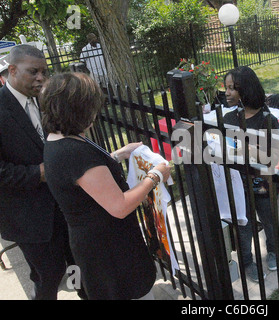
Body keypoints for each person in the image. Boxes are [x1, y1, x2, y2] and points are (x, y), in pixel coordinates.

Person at [41, 72, 171, 300]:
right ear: (78, 110)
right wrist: (155, 176)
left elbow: (84, 177)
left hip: (94, 241)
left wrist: (118, 154)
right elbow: (119, 206)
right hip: (109, 249)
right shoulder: (74, 153)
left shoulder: (57, 138)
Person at [0, 44, 76, 300]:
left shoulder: (42, 100)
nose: (41, 78)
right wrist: (39, 173)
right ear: (12, 70)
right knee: (50, 274)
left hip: (63, 206)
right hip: (28, 217)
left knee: (78, 264)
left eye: (44, 72)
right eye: (33, 72)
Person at [222, 66, 279, 283]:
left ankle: (273, 250)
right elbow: (227, 152)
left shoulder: (267, 120)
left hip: (261, 180)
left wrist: (244, 150)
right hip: (238, 181)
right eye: (225, 88)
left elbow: (272, 158)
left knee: (268, 218)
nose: (226, 92)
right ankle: (247, 261)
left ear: (245, 89)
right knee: (243, 223)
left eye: (231, 88)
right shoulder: (229, 118)